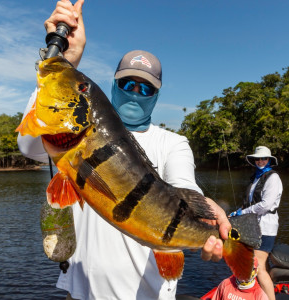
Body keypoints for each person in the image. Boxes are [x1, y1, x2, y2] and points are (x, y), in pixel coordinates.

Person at [17, 1, 230, 299]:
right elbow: (28, 145)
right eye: (127, 83)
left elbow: (183, 186)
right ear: (114, 85)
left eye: (145, 88)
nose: (134, 92)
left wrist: (208, 217)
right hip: (81, 293)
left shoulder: (173, 143)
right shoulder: (75, 136)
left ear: (156, 95)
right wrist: (68, 59)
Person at [229, 146, 282, 300]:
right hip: (253, 226)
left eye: (263, 158)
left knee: (258, 268)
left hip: (266, 227)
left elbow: (266, 205)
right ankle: (262, 295)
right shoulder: (256, 177)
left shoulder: (273, 178)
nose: (260, 161)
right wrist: (237, 212)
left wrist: (243, 213)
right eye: (257, 159)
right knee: (262, 265)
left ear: (269, 160)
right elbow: (250, 203)